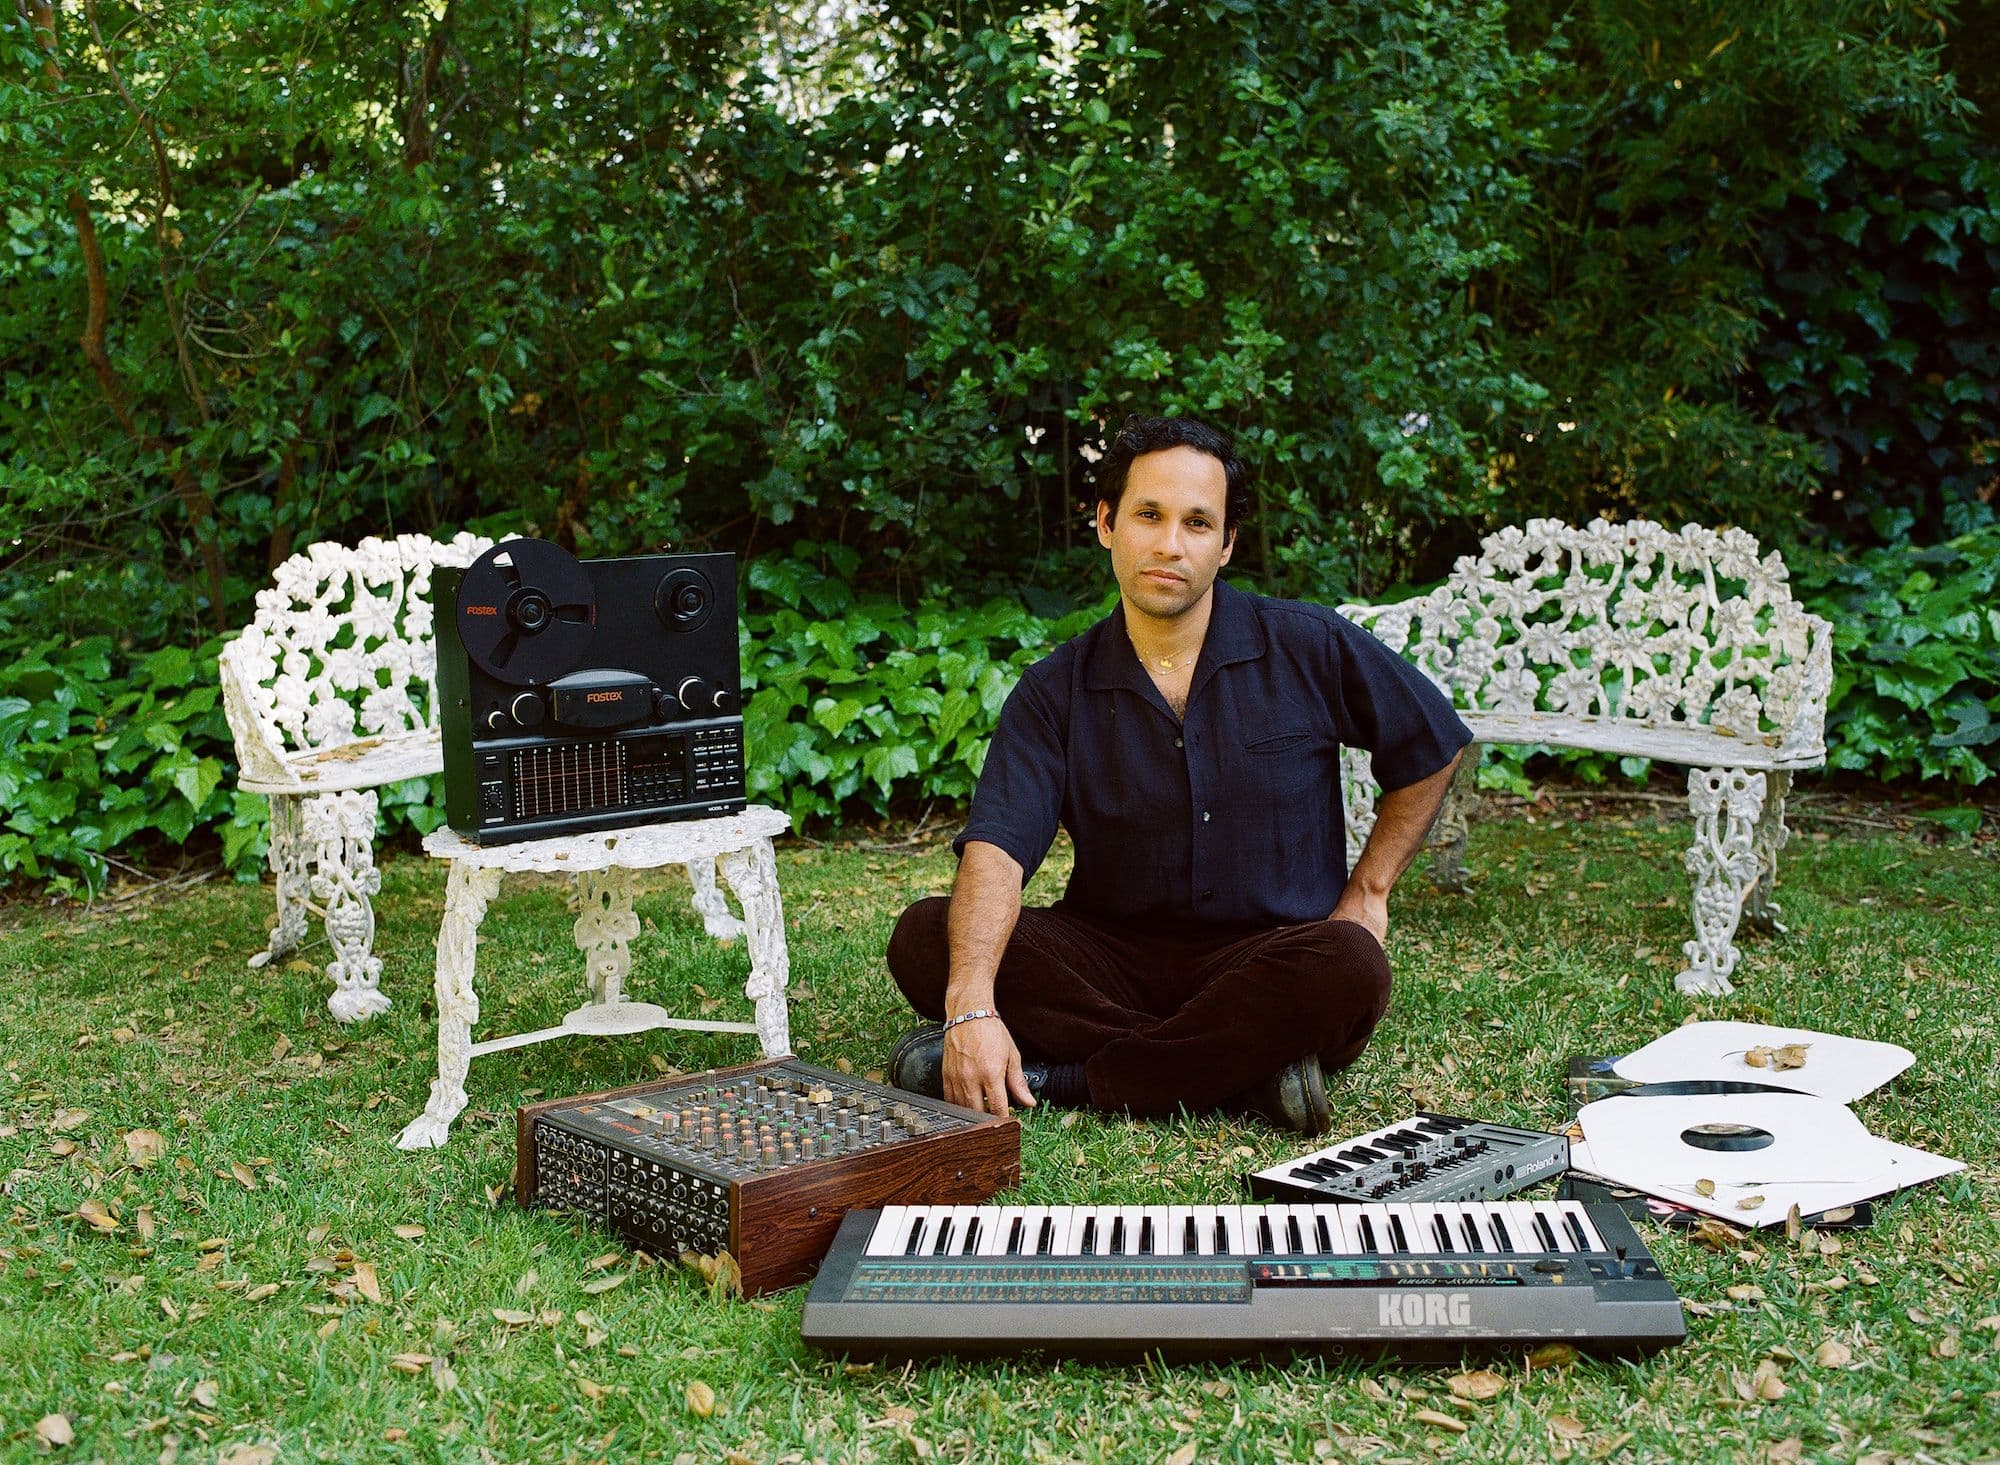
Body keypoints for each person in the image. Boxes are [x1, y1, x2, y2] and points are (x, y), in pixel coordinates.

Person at [884, 415, 1472, 1135]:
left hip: (1273, 952)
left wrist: (1370, 891)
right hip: (1111, 956)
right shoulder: (1054, 689)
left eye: (1197, 523)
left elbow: (1431, 742)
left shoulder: (1307, 643)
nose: (1170, 544)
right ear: (1106, 523)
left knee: (1349, 962)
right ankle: (1245, 1070)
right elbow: (999, 848)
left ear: (1225, 545)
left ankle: (1067, 1077)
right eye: (1149, 515)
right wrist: (973, 1004)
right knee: (926, 935)